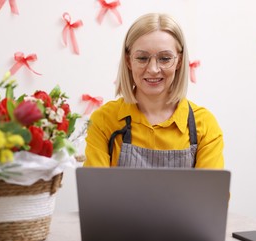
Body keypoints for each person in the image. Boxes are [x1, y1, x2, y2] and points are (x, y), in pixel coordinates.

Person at [83, 13, 224, 168]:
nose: (153, 69)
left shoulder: (205, 125)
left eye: (165, 58)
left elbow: (210, 192)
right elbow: (95, 191)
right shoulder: (103, 121)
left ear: (179, 61)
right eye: (142, 58)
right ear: (128, 60)